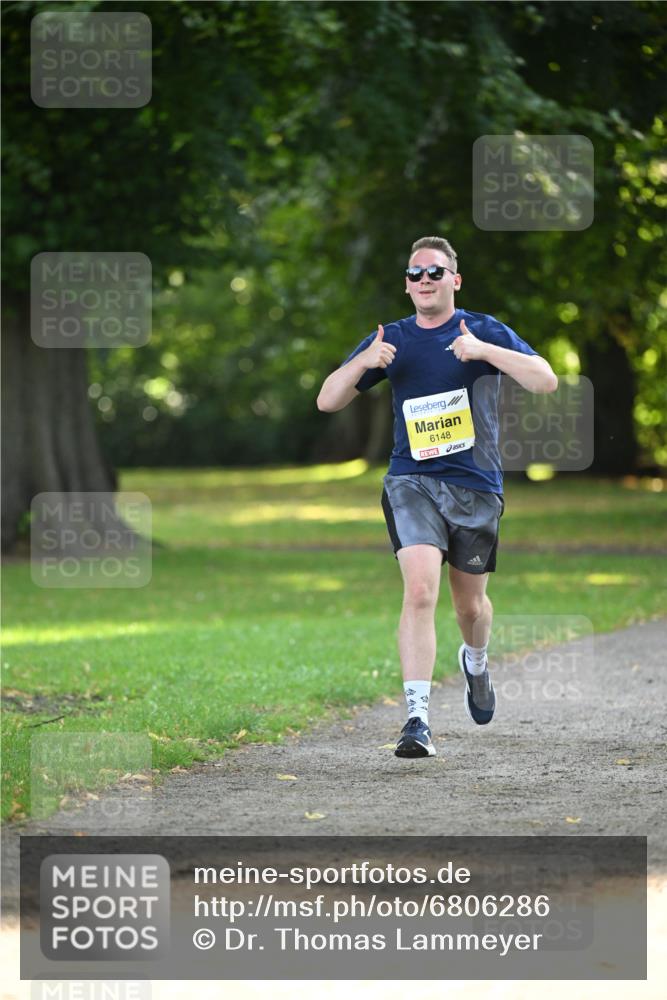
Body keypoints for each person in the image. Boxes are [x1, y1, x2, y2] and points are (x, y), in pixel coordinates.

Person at [316, 236, 558, 758]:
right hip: (411, 481)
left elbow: (545, 380)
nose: (424, 280)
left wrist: (484, 352)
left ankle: (475, 661)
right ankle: (417, 720)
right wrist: (364, 362)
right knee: (421, 591)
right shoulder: (392, 338)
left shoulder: (482, 329)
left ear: (455, 280)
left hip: (476, 485)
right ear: (407, 285)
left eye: (434, 272)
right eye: (415, 273)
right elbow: (327, 400)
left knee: (470, 606)